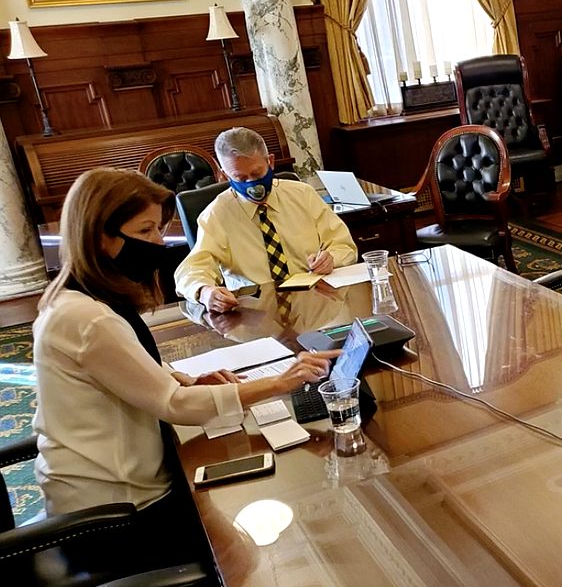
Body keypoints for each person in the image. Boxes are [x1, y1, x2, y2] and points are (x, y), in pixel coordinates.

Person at [33, 168, 339, 518]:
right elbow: (175, 405)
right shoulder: (88, 319)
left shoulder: (76, 298)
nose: (159, 243)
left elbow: (124, 368)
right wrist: (281, 382)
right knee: (244, 554)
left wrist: (188, 380)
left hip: (110, 485)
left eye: (158, 230)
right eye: (145, 231)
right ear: (99, 236)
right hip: (115, 508)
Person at [174, 127, 357, 313]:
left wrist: (331, 258)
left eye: (256, 173)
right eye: (240, 177)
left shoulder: (303, 195)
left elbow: (344, 246)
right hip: (253, 315)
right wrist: (204, 292)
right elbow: (191, 270)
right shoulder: (216, 215)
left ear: (270, 162)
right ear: (224, 175)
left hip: (314, 305)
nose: (251, 184)